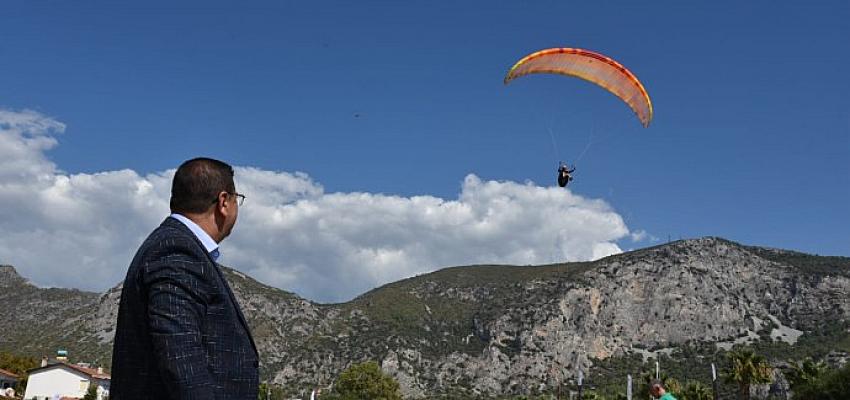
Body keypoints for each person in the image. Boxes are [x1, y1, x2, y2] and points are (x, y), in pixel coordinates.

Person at [111, 157, 258, 400]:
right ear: (223, 202)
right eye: (236, 198)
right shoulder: (177, 251)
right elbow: (181, 361)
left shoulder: (174, 245)